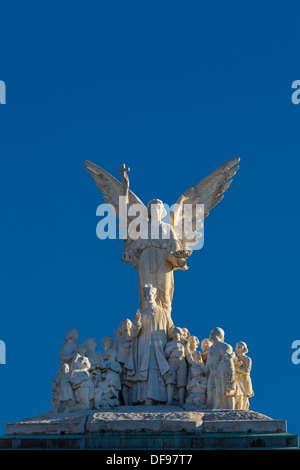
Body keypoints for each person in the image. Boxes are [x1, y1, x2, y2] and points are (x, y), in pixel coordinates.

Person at [125, 284, 174, 405]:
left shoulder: (164, 313)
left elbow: (171, 329)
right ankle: (146, 398)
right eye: (146, 295)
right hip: (144, 345)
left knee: (157, 370)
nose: (148, 297)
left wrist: (180, 335)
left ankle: (161, 398)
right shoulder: (141, 313)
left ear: (155, 295)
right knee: (145, 371)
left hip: (159, 345)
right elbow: (134, 334)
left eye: (150, 294)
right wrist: (136, 322)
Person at [165, 326, 188, 406]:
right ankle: (169, 400)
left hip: (181, 361)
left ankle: (181, 401)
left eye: (176, 331)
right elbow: (166, 354)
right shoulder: (169, 344)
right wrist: (173, 347)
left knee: (181, 382)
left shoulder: (183, 343)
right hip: (171, 361)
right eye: (172, 332)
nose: (173, 333)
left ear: (180, 333)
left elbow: (187, 353)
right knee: (170, 381)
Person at [234, 341, 254, 410]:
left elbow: (247, 370)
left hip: (245, 378)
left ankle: (243, 409)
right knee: (238, 395)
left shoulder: (247, 359)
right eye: (237, 347)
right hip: (237, 378)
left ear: (244, 348)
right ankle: (237, 409)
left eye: (240, 346)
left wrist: (238, 369)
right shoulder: (234, 359)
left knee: (245, 395)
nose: (238, 348)